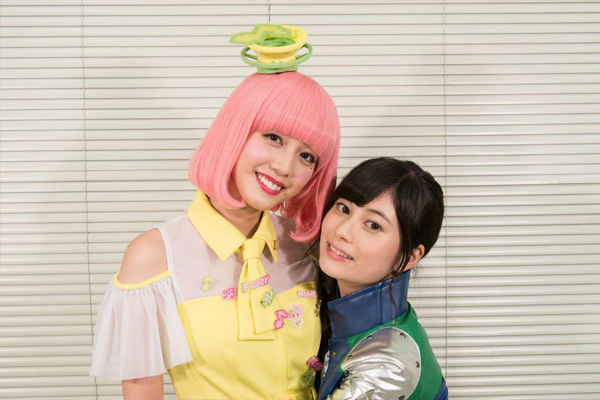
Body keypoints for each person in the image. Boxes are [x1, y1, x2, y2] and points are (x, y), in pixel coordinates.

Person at [90, 25, 340, 400]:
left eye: (307, 156)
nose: (285, 167)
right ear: (236, 131)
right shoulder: (154, 258)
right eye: (273, 137)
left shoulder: (304, 246)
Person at [315, 157, 448, 400]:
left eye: (373, 225)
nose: (342, 231)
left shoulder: (386, 367)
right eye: (344, 208)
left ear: (408, 257)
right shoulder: (367, 314)